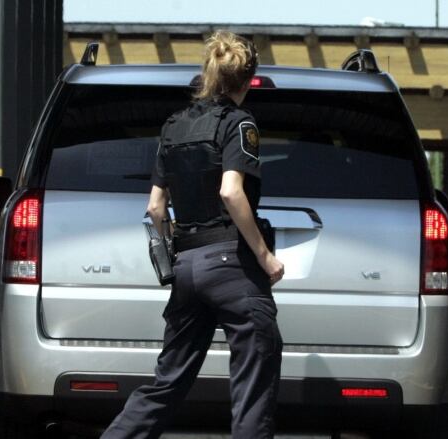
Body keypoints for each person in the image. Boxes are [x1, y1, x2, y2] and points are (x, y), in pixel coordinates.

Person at [100, 30, 285, 439]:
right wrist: (264, 256)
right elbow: (230, 191)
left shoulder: (174, 125)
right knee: (253, 381)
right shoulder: (239, 123)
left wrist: (176, 249)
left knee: (168, 381)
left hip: (186, 268)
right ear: (249, 79)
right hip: (232, 266)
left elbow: (154, 207)